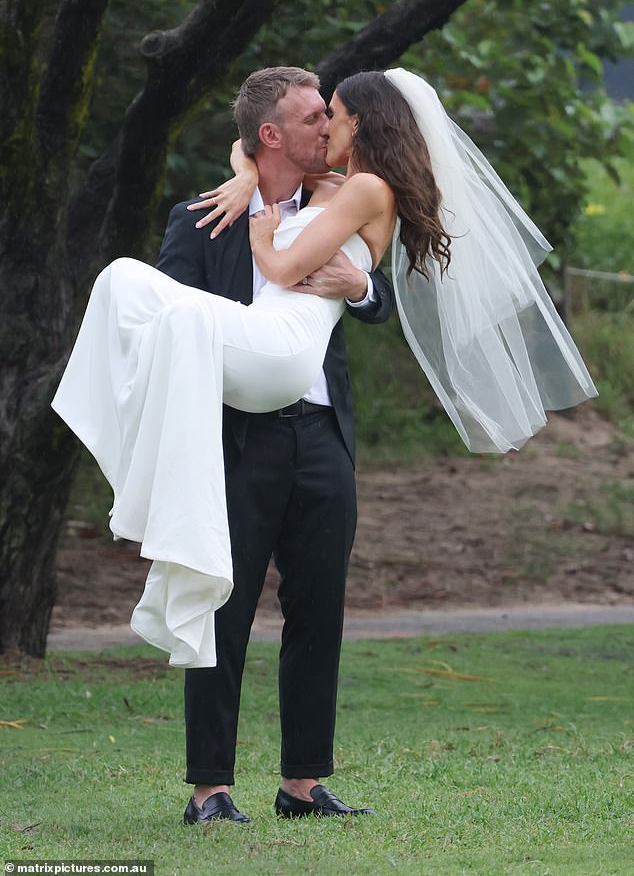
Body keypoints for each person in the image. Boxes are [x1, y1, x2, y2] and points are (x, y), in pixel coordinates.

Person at [52, 66, 597, 825]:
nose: (325, 128)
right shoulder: (203, 216)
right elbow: (174, 319)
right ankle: (210, 787)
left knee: (319, 608)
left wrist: (359, 287)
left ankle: (303, 782)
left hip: (321, 432)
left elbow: (372, 293)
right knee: (225, 603)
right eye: (312, 117)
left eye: (330, 115)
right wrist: (245, 189)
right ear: (270, 134)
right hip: (240, 433)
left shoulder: (343, 196)